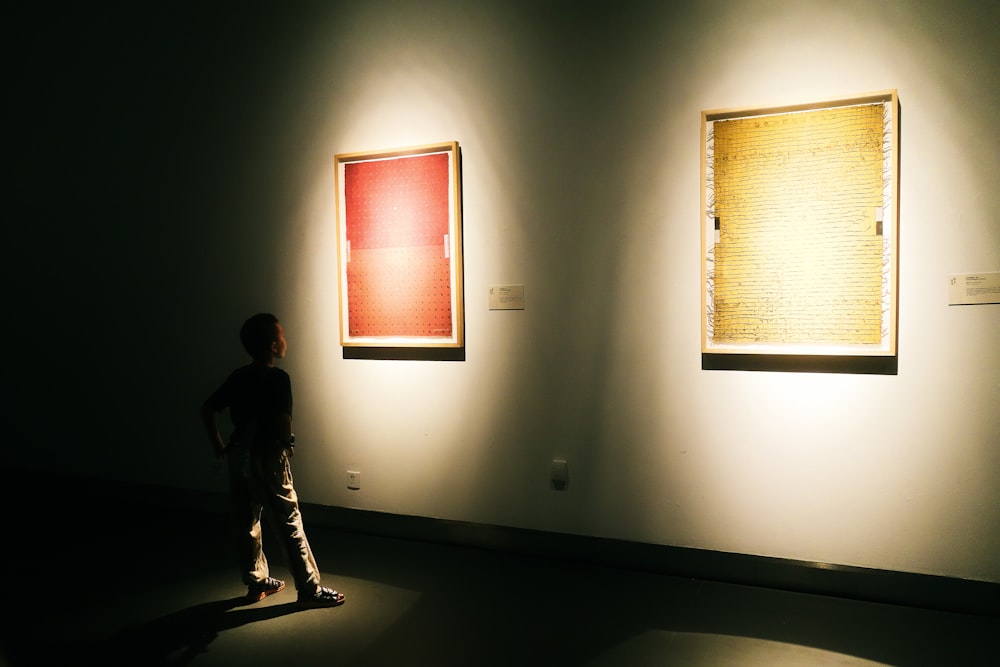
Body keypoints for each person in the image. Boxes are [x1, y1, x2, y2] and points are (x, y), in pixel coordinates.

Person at [200, 313, 345, 607]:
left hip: (239, 453)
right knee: (288, 519)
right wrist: (287, 443)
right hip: (268, 455)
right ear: (272, 345)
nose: (284, 340)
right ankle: (309, 588)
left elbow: (208, 408)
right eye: (281, 335)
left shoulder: (238, 376)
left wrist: (218, 444)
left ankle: (256, 582)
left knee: (246, 521)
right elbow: (283, 418)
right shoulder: (279, 378)